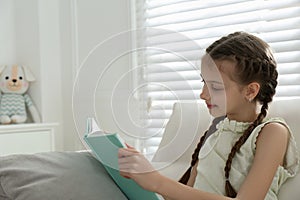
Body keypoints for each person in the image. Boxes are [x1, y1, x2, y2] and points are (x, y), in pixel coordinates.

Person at [118, 32, 299, 200]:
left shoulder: (272, 132)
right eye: (204, 83)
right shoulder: (216, 130)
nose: (203, 94)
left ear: (250, 91)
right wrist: (140, 174)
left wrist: (157, 181)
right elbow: (187, 193)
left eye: (216, 87)